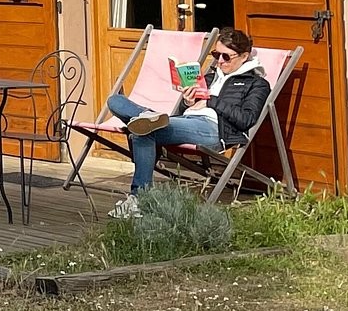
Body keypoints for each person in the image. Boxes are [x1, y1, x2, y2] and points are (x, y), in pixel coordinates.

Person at [104, 26, 271, 219]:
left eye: (226, 57)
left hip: (214, 128)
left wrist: (210, 100)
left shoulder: (257, 84)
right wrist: (187, 102)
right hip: (187, 120)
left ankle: (139, 199)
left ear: (244, 56)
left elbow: (247, 119)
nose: (219, 61)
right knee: (116, 101)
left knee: (141, 131)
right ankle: (146, 118)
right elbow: (185, 111)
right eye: (216, 55)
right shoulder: (209, 77)